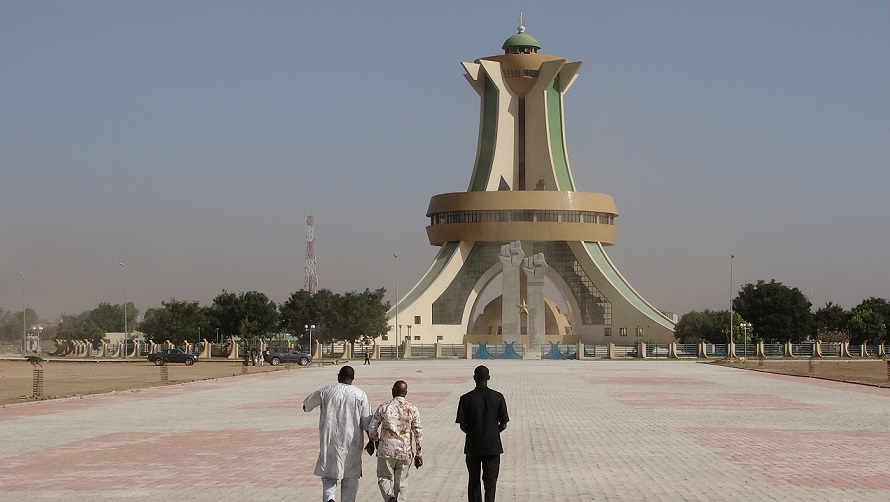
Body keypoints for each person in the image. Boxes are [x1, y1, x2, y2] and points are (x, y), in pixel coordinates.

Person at [303, 365, 372, 502]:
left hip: (330, 442)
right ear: (352, 378)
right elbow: (367, 421)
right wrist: (372, 440)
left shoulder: (327, 390)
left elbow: (307, 405)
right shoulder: (360, 394)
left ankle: (330, 498)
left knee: (329, 477)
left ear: (339, 376)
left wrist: (307, 406)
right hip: (352, 443)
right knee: (351, 479)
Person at [455, 365, 509, 502]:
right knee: (490, 482)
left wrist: (474, 432)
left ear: (474, 378)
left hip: (473, 445)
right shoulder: (498, 397)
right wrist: (492, 432)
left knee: (473, 480)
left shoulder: (465, 399)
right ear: (488, 378)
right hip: (492, 445)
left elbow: (462, 425)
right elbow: (503, 424)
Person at [367, 380, 423, 502]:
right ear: (406, 392)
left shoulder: (384, 407)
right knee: (401, 483)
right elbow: (418, 432)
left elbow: (372, 427)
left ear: (392, 391)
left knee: (384, 477)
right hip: (405, 451)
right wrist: (419, 453)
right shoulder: (412, 409)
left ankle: (389, 497)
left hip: (386, 451)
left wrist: (375, 440)